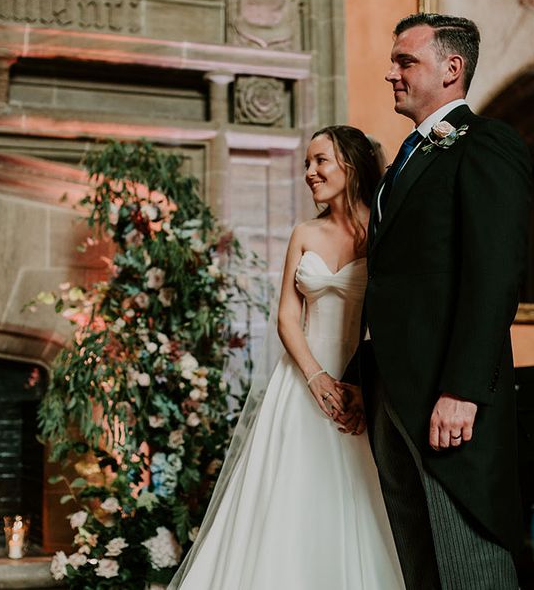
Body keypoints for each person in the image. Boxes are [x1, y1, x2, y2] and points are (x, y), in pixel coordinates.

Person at [340, 13, 531, 589]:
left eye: (405, 61)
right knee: (416, 560)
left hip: (446, 396)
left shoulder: (487, 144)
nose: (390, 72)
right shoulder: (404, 159)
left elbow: (493, 274)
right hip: (390, 389)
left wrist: (463, 390)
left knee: (466, 560)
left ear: (452, 69)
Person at [168, 125, 405, 589]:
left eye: (320, 161)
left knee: (356, 499)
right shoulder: (304, 232)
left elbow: (387, 318)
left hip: (360, 384)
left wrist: (356, 384)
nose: (310, 173)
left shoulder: (382, 234)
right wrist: (315, 378)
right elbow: (285, 318)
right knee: (287, 498)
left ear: (350, 166)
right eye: (306, 164)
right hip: (300, 380)